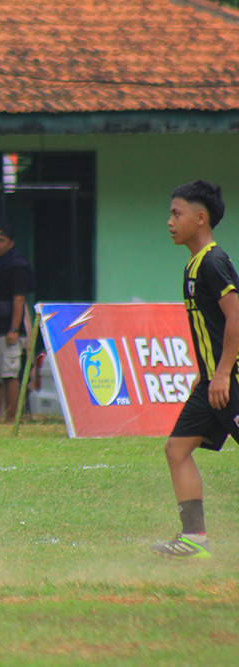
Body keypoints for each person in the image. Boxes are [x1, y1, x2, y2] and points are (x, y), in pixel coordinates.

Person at [150, 180, 236, 560]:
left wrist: (221, 374)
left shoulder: (215, 262)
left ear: (201, 219)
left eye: (176, 213)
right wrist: (205, 374)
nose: (169, 221)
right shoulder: (194, 265)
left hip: (230, 382)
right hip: (212, 383)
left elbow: (236, 318)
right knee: (176, 449)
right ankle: (194, 538)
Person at [0, 225, 33, 424]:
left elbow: (19, 300)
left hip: (9, 329)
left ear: (11, 243)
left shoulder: (17, 266)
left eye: (1, 240)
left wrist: (14, 329)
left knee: (9, 375)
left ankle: (11, 418)